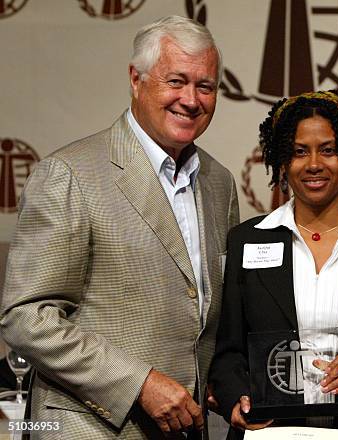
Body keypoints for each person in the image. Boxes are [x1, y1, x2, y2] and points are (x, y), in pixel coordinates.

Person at [0, 15, 239, 439]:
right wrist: (138, 383)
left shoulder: (219, 183)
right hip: (88, 429)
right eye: (176, 81)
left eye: (205, 86)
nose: (191, 99)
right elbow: (25, 317)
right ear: (136, 79)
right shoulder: (70, 173)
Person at [209, 91, 338, 439]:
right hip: (268, 433)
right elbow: (228, 351)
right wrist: (237, 400)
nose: (313, 164)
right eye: (298, 151)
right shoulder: (247, 241)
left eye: (328, 150)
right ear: (282, 160)